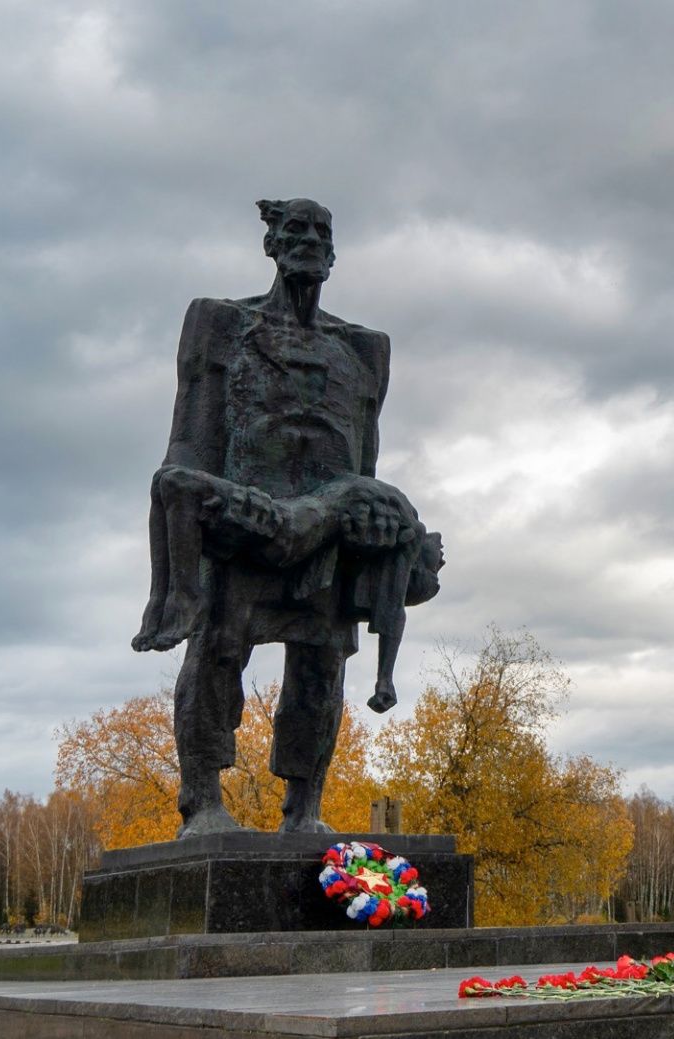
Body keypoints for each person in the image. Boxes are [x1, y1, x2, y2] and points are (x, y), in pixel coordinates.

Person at [132, 198, 442, 837]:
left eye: (320, 231)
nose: (308, 241)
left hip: (332, 525)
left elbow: (364, 450)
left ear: (334, 251)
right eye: (294, 230)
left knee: (322, 662)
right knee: (218, 646)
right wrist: (187, 525)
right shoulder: (220, 322)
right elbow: (191, 435)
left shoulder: (363, 347)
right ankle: (203, 803)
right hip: (247, 519)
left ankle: (305, 809)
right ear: (271, 244)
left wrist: (373, 536)